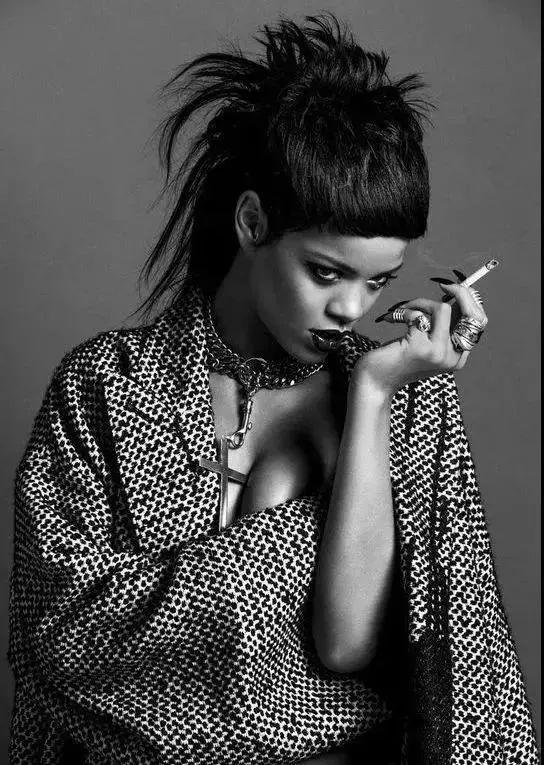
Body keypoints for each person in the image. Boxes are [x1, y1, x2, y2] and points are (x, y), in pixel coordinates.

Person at [7, 13, 538, 765]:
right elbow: (65, 644)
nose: (351, 309)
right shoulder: (104, 388)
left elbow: (349, 644)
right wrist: (300, 548)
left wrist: (374, 397)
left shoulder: (409, 398)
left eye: (378, 281)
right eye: (326, 271)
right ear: (253, 222)